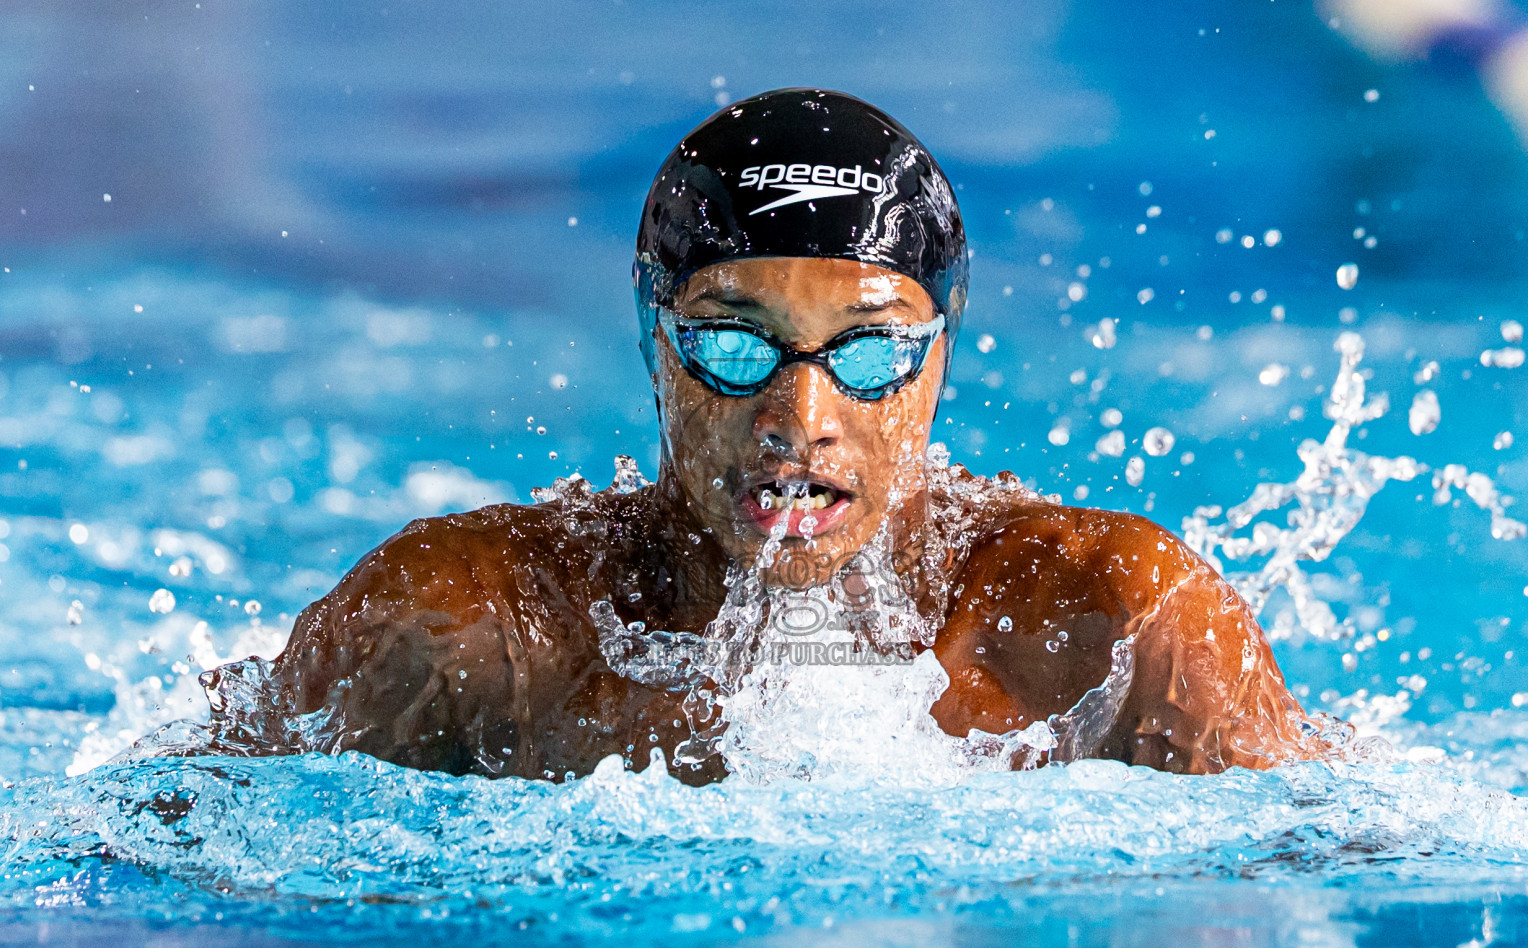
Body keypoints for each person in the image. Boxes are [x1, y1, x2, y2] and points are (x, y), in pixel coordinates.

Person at [207, 89, 1332, 784]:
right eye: (735, 346)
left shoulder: (1122, 624)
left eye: (869, 352)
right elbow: (179, 833)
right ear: (657, 344)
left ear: (940, 357)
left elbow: (1347, 877)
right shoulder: (469, 622)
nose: (801, 422)